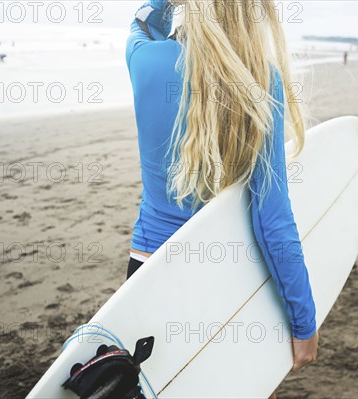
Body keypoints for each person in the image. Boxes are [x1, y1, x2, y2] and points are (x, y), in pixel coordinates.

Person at [125, 0, 319, 396]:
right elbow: (274, 219)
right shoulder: (260, 79)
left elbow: (145, 18)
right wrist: (304, 322)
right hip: (224, 272)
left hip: (147, 271)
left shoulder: (142, 58)